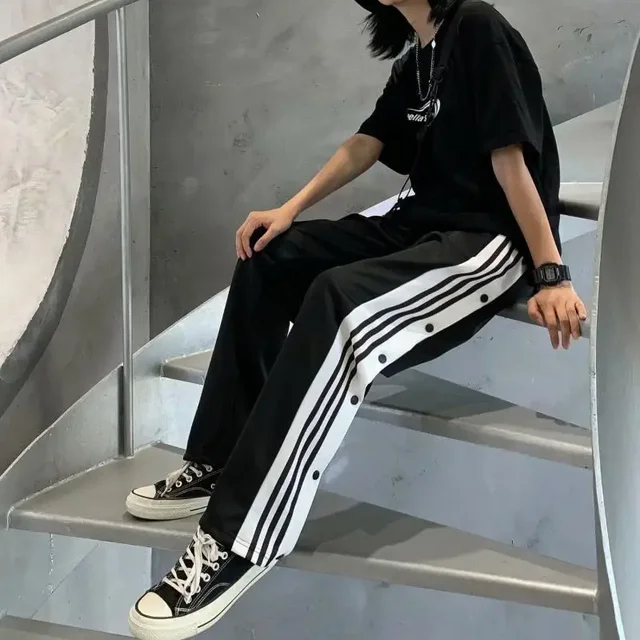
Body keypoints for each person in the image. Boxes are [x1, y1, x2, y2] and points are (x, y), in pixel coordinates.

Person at [126, 0, 587, 638]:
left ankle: (240, 539)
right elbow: (367, 143)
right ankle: (218, 460)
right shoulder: (418, 56)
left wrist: (551, 271)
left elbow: (511, 158)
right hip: (417, 224)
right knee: (269, 258)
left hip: (485, 241)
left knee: (340, 299)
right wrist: (288, 210)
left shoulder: (476, 27)